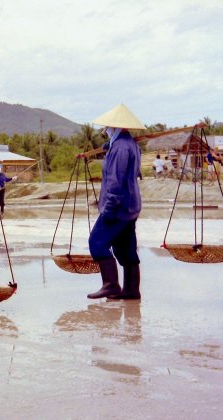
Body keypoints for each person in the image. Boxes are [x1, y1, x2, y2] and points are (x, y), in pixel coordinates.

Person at [87, 104, 144, 300]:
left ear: (114, 127)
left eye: (107, 127)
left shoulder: (120, 147)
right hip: (131, 206)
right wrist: (107, 148)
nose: (105, 130)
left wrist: (109, 208)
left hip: (119, 206)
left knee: (97, 242)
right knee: (125, 248)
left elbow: (116, 180)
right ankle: (131, 290)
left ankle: (111, 285)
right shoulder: (130, 144)